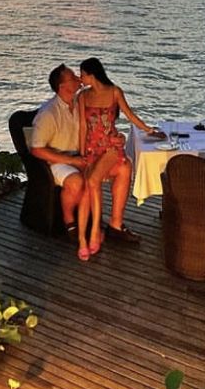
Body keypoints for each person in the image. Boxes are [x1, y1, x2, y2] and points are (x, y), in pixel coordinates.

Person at [30, 63, 140, 262]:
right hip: (58, 159)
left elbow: (100, 126)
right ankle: (70, 221)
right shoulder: (49, 113)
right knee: (77, 182)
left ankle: (115, 225)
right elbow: (36, 149)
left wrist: (117, 137)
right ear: (63, 87)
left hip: (84, 155)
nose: (78, 79)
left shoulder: (81, 99)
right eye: (73, 77)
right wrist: (70, 160)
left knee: (125, 166)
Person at [78, 57, 158, 258]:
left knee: (95, 179)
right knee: (123, 168)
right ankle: (111, 225)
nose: (80, 79)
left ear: (92, 74)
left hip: (110, 146)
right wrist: (82, 154)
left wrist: (148, 129)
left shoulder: (114, 92)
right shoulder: (82, 96)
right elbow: (83, 127)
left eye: (82, 74)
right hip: (92, 148)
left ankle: (96, 230)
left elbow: (130, 115)